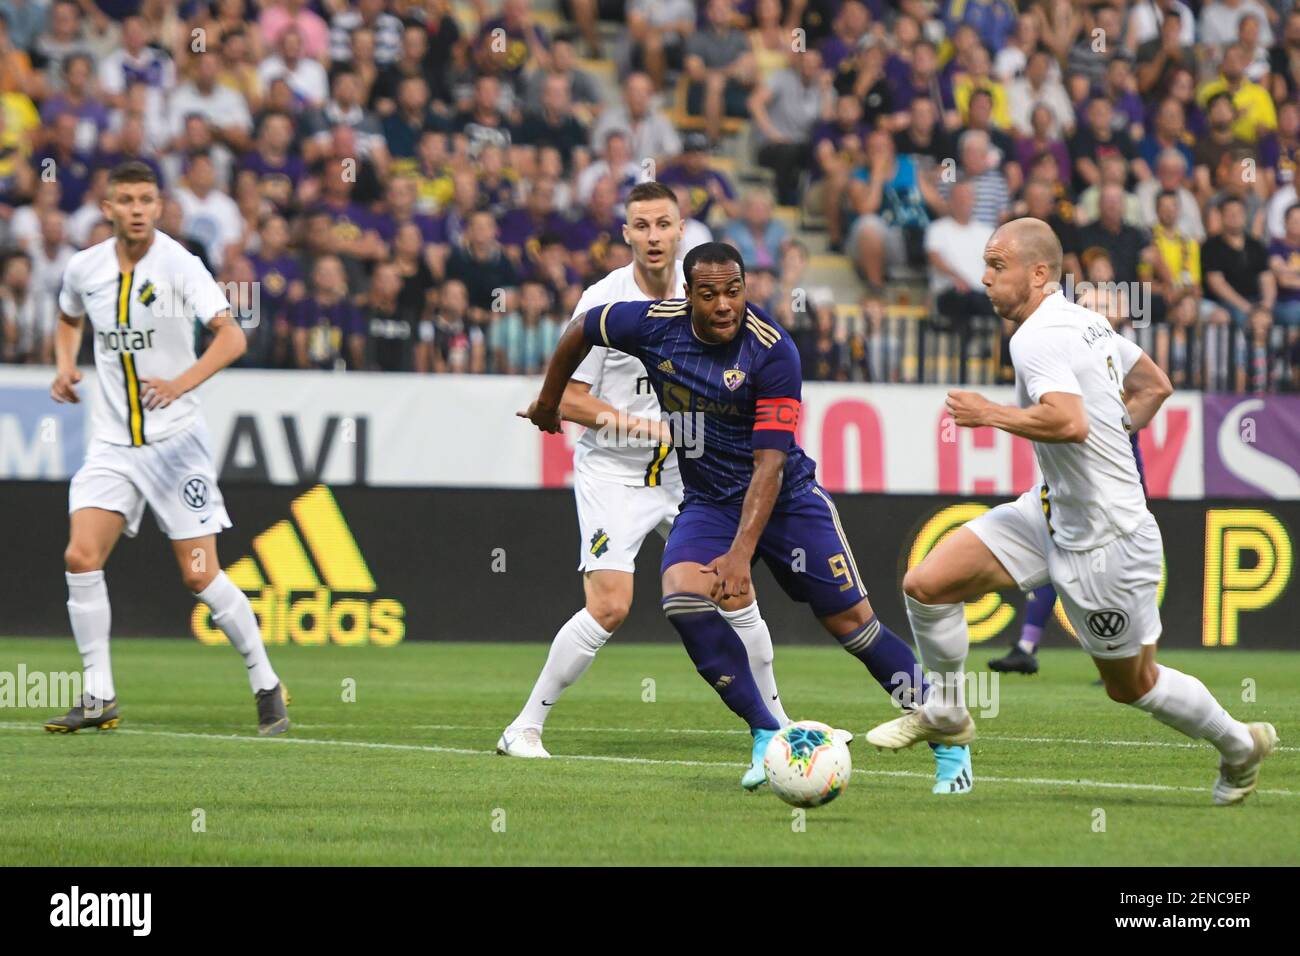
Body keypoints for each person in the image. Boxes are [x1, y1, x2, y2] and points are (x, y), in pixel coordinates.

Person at [521, 241, 974, 795]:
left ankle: (949, 742)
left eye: (733, 291)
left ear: (745, 288)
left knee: (852, 624)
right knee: (682, 599)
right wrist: (549, 401)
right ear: (689, 296)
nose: (723, 305)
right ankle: (765, 731)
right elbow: (582, 330)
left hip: (786, 499)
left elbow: (770, 464)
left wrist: (739, 556)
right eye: (709, 294)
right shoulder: (651, 324)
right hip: (710, 500)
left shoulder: (773, 351)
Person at [866, 218, 1277, 806]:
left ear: (1038, 274)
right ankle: (948, 713)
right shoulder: (1086, 321)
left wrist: (990, 414)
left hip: (1107, 541)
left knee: (1133, 685)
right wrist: (1110, 437)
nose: (984, 278)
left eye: (997, 266)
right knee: (928, 584)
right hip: (1050, 511)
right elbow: (1154, 385)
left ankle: (1238, 747)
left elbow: (1069, 420)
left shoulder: (1036, 338)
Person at [497, 183, 789, 759]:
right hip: (616, 473)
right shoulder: (604, 303)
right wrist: (652, 429)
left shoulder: (705, 294)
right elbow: (568, 401)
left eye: (663, 225)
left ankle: (780, 725)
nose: (653, 237)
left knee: (734, 589)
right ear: (625, 234)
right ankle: (524, 727)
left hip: (688, 477)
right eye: (641, 226)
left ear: (682, 232)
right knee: (609, 605)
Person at [44, 161, 288, 736]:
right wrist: (63, 366)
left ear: (158, 206)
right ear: (107, 208)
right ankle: (98, 694)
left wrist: (180, 382)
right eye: (125, 199)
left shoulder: (181, 265)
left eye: (146, 199)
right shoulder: (85, 268)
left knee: (200, 575)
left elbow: (232, 336)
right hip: (111, 443)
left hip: (176, 444)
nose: (136, 209)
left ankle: (265, 680)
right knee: (81, 557)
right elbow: (66, 317)